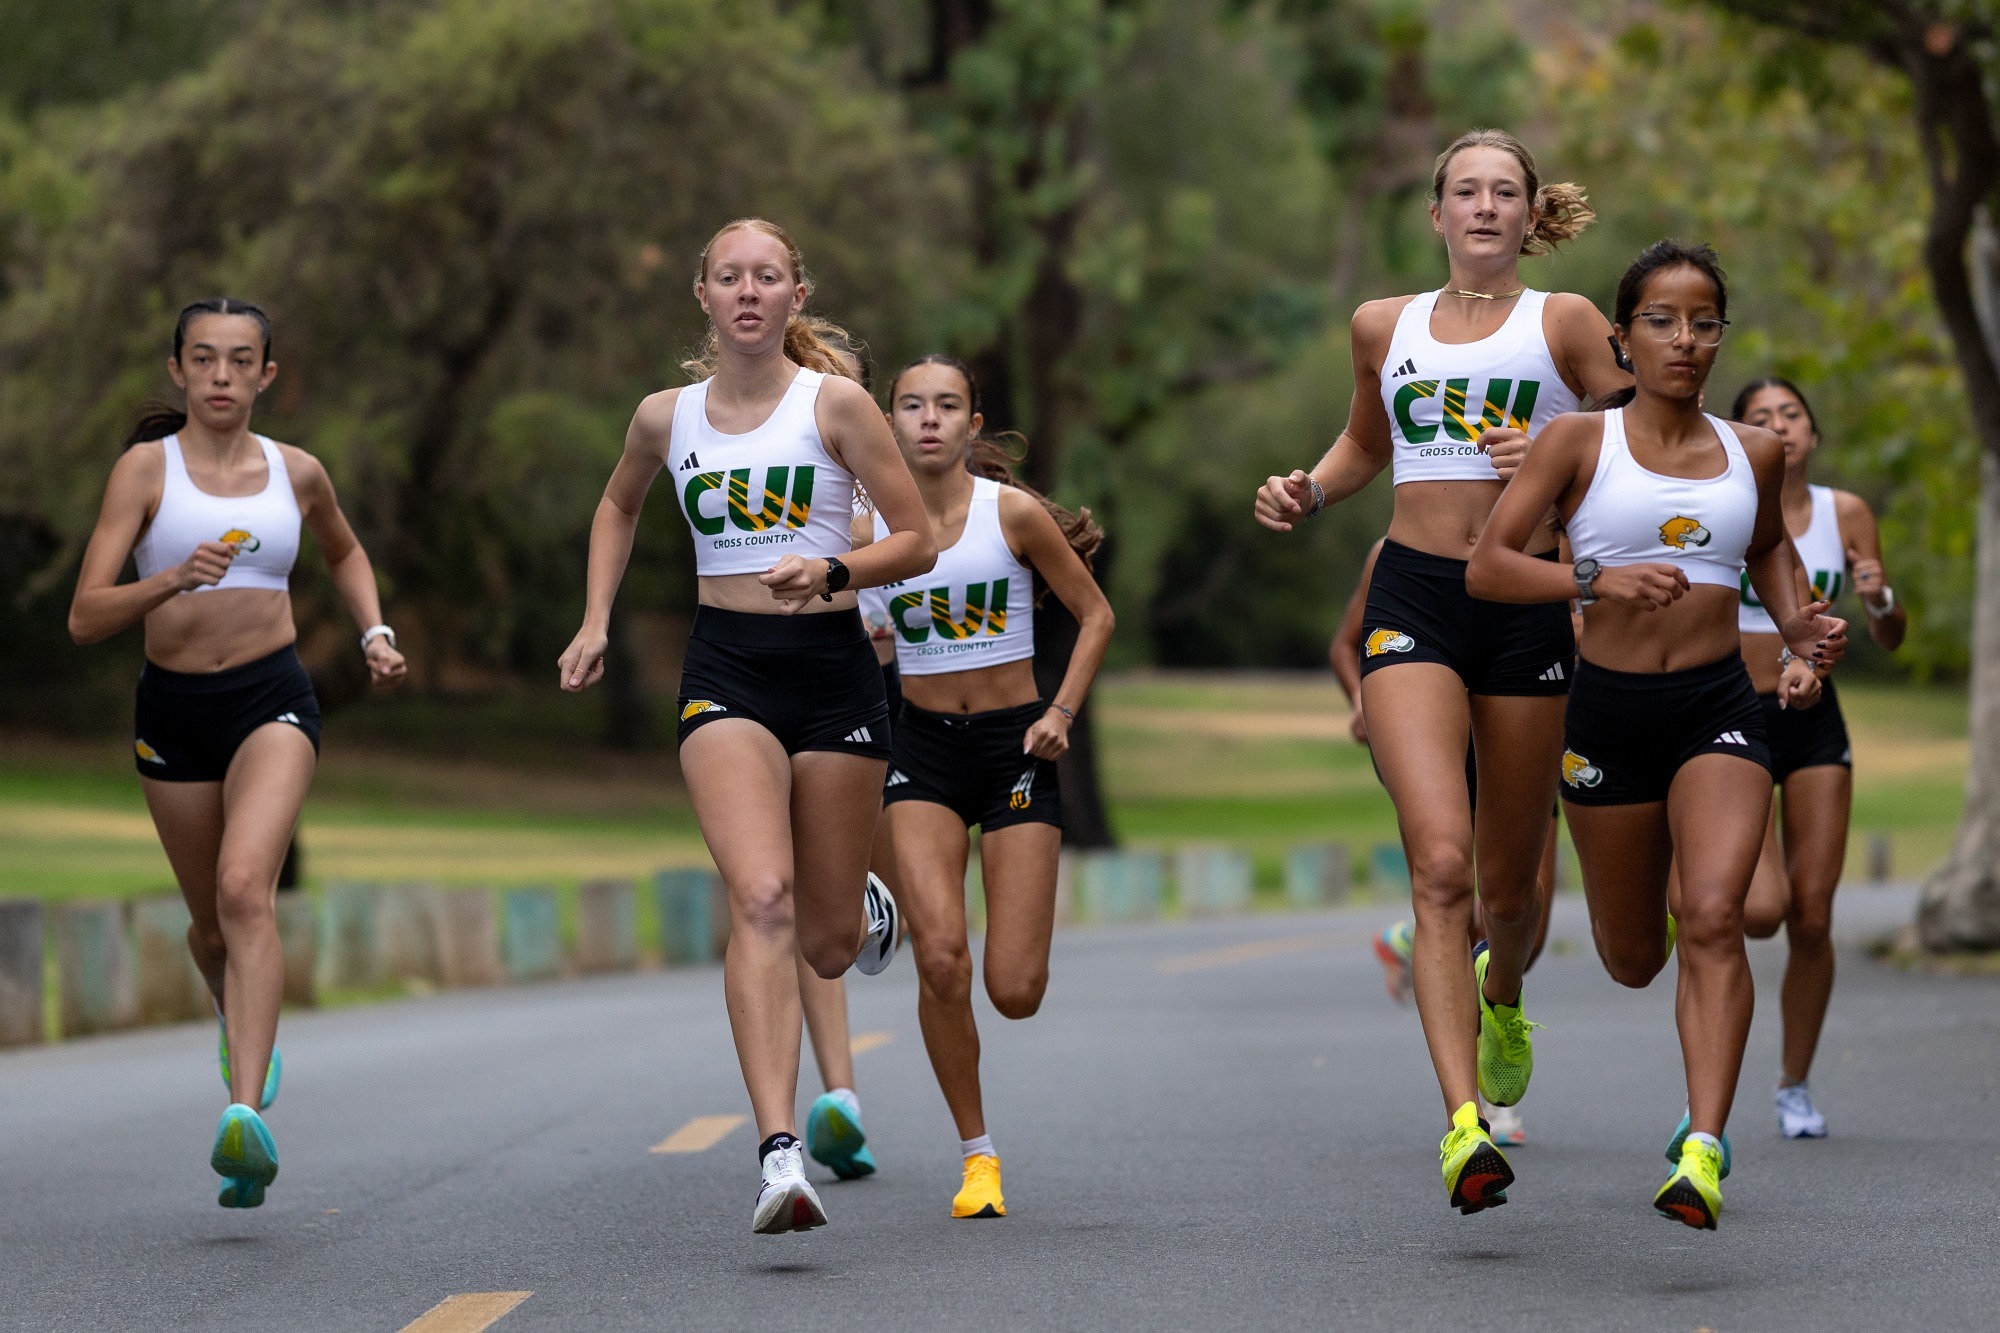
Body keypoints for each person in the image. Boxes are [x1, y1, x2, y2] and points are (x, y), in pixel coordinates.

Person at [1255, 128, 1628, 1214]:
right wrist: (1307, 492)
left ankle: (1501, 993)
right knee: (1440, 865)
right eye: (1461, 191)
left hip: (1520, 604)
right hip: (1415, 596)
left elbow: (1641, 421)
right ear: (1433, 215)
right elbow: (1364, 444)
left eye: (1501, 192)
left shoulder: (1558, 324)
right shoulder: (1383, 323)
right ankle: (1463, 1124)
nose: (1480, 208)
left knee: (1509, 889)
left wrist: (1560, 456)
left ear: (1526, 216)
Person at [558, 219, 937, 1234]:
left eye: (766, 277)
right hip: (724, 669)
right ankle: (779, 1151)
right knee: (757, 895)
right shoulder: (664, 417)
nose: (747, 292)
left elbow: (918, 538)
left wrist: (833, 570)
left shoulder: (838, 406)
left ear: (794, 296)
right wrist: (595, 617)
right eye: (728, 276)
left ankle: (856, 895)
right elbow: (615, 505)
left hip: (832, 673)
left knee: (821, 941)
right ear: (702, 295)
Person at [1467, 239, 1846, 1230]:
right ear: (1623, 337)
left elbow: (1766, 549)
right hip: (1607, 717)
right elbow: (1489, 568)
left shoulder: (1749, 451)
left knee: (1715, 914)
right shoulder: (1576, 444)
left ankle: (1702, 1146)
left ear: (1720, 333)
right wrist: (1594, 579)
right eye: (1661, 320)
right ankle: (1497, 985)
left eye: (1703, 320)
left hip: (1717, 707)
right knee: (1633, 957)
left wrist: (1798, 619)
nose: (1684, 339)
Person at [68, 298, 407, 1209]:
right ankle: (237, 1023)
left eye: (240, 360)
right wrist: (168, 577)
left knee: (245, 887)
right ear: (178, 371)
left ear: (267, 376)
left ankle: (244, 1114)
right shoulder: (145, 472)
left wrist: (372, 630)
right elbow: (84, 614)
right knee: (210, 926)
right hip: (172, 711)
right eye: (205, 359)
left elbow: (344, 551)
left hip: (271, 699)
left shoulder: (296, 473)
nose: (222, 375)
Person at [866, 355, 1113, 1219]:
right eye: (911, 406)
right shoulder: (869, 529)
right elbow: (855, 641)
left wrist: (1063, 711)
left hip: (1015, 750)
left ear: (974, 426)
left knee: (1013, 989)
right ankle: (978, 1156)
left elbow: (1095, 616)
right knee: (941, 959)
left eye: (947, 406)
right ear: (889, 422)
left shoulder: (1008, 514)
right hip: (921, 753)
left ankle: (923, 919)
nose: (928, 420)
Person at [1332, 537, 1557, 1148]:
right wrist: (1364, 698)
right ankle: (1473, 1117)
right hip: (1434, 728)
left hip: (1525, 711)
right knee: (1446, 879)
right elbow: (1345, 644)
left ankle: (1477, 984)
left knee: (1518, 907)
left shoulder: (1556, 533)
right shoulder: (1392, 553)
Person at [1730, 376, 1905, 1139]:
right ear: (1739, 435)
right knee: (1760, 911)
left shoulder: (1847, 514)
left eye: (1792, 413)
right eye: (1762, 417)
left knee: (1812, 912)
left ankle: (1793, 1083)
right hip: (1732, 716)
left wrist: (1880, 598)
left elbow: (1890, 634)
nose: (1781, 426)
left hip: (1815, 718)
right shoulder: (1725, 499)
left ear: (1813, 429)